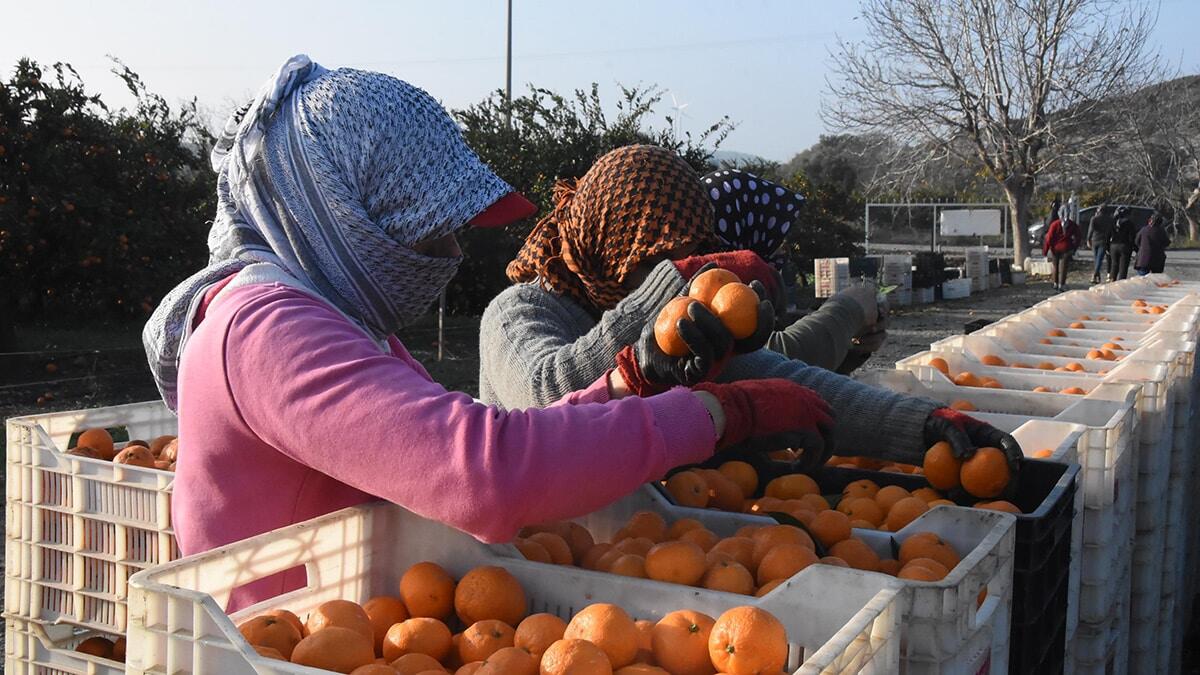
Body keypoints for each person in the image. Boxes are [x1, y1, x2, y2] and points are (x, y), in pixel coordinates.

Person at [142, 59, 827, 604]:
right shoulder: (266, 329)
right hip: (280, 648)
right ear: (340, 210)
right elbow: (485, 474)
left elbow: (465, 440)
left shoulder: (329, 315)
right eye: (424, 226)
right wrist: (716, 412)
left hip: (367, 632)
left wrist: (631, 380)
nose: (448, 251)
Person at [479, 144, 1022, 474]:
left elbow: (792, 381)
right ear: (612, 243)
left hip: (637, 549)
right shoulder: (517, 312)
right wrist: (671, 292)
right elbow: (545, 396)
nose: (676, 265)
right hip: (536, 557)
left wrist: (923, 427)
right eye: (659, 254)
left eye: (689, 248)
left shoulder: (673, 328)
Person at [700, 168, 887, 373]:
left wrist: (850, 347)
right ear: (743, 226)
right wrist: (849, 308)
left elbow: (803, 379)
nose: (781, 249)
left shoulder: (751, 291)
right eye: (773, 234)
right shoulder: (705, 299)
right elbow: (771, 363)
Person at [1042, 208, 1082, 291]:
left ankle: (1055, 283)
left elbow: (1049, 238)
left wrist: (1045, 251)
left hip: (1055, 248)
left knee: (1055, 266)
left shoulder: (1054, 224)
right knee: (1064, 266)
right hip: (1067, 247)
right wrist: (1074, 247)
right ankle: (1062, 284)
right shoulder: (1072, 224)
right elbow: (1078, 237)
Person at [1107, 206, 1137, 281]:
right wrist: (1134, 248)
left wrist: (1107, 247)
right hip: (1124, 245)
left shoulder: (1112, 222)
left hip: (1113, 245)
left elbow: (1107, 235)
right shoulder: (1129, 223)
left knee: (1114, 265)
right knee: (1123, 267)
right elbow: (1132, 237)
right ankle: (1121, 283)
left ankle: (1112, 280)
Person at [1088, 205, 1115, 284]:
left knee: (1096, 259)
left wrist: (1088, 239)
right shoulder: (1110, 219)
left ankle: (1096, 275)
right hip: (1104, 240)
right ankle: (1096, 275)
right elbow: (1112, 230)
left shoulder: (1094, 218)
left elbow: (1091, 230)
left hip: (1095, 240)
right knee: (1099, 259)